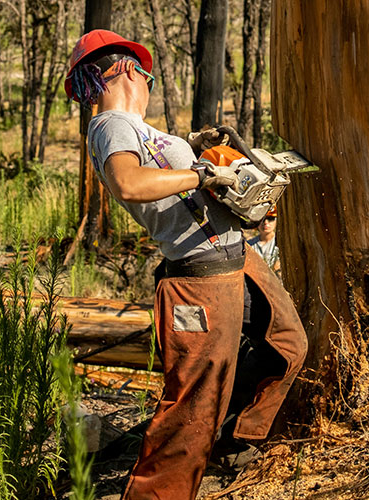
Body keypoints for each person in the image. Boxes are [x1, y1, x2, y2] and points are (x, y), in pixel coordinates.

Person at [65, 30, 308, 500]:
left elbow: (169, 175)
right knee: (193, 405)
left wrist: (200, 149)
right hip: (200, 276)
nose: (150, 83)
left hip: (237, 255)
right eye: (148, 74)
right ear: (127, 71)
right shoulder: (112, 124)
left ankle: (232, 447)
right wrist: (201, 172)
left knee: (287, 345)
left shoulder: (141, 131)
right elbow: (130, 183)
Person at [248, 206, 281, 275]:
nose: (266, 222)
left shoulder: (281, 243)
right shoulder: (249, 245)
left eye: (270, 219)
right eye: (262, 219)